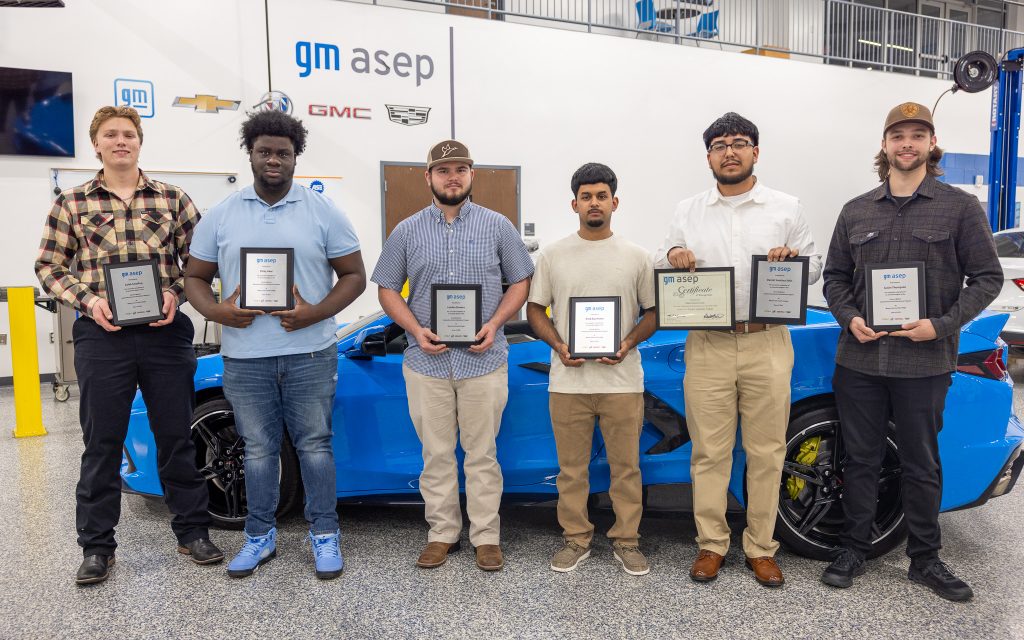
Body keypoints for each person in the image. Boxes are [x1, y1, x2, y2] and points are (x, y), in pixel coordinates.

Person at [821, 102, 1002, 601]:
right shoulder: (855, 210)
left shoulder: (960, 207)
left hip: (924, 362)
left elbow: (988, 277)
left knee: (921, 462)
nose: (907, 144)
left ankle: (925, 559)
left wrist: (942, 326)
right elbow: (834, 276)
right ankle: (855, 546)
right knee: (860, 459)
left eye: (917, 135)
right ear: (884, 145)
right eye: (898, 135)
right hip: (859, 359)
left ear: (930, 143)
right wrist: (850, 317)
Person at [35, 105, 222, 585]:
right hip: (102, 337)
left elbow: (200, 265)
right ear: (96, 145)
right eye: (111, 135)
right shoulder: (71, 203)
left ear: (140, 143)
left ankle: (192, 531)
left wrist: (174, 293)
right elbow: (49, 268)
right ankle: (97, 547)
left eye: (129, 135)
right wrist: (89, 301)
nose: (121, 141)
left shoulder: (173, 199)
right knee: (101, 442)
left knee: (177, 436)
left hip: (165, 335)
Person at [184, 110, 365, 580]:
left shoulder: (323, 212)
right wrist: (218, 312)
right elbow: (195, 278)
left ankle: (325, 534)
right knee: (258, 450)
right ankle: (258, 536)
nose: (273, 160)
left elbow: (355, 276)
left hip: (310, 352)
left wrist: (315, 312)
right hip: (245, 356)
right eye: (264, 151)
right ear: (250, 153)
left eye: (283, 153)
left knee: (315, 447)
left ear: (295, 157)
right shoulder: (222, 214)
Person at [655, 112, 822, 587]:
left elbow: (812, 271)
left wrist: (795, 260)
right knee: (709, 451)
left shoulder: (786, 208)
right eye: (720, 144)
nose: (730, 151)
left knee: (767, 450)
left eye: (740, 143)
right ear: (708, 155)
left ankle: (762, 547)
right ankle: (711, 545)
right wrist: (672, 256)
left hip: (767, 341)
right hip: (707, 345)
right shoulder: (689, 210)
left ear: (755, 152)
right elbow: (660, 256)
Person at [371, 140, 534, 571]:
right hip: (426, 362)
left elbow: (520, 281)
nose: (452, 177)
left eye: (460, 169)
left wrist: (495, 322)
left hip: (484, 360)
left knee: (483, 453)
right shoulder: (406, 230)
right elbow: (387, 287)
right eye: (443, 171)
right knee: (436, 454)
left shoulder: (498, 226)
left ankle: (486, 537)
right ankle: (442, 533)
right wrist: (414, 329)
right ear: (428, 177)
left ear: (471, 175)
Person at [527, 163, 656, 576]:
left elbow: (653, 313)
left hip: (622, 382)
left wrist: (628, 343)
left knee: (626, 468)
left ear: (614, 202)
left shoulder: (638, 257)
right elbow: (535, 310)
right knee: (571, 470)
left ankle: (627, 540)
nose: (594, 203)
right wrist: (559, 345)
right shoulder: (551, 255)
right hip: (568, 382)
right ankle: (576, 538)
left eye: (602, 196)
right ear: (574, 204)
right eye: (586, 196)